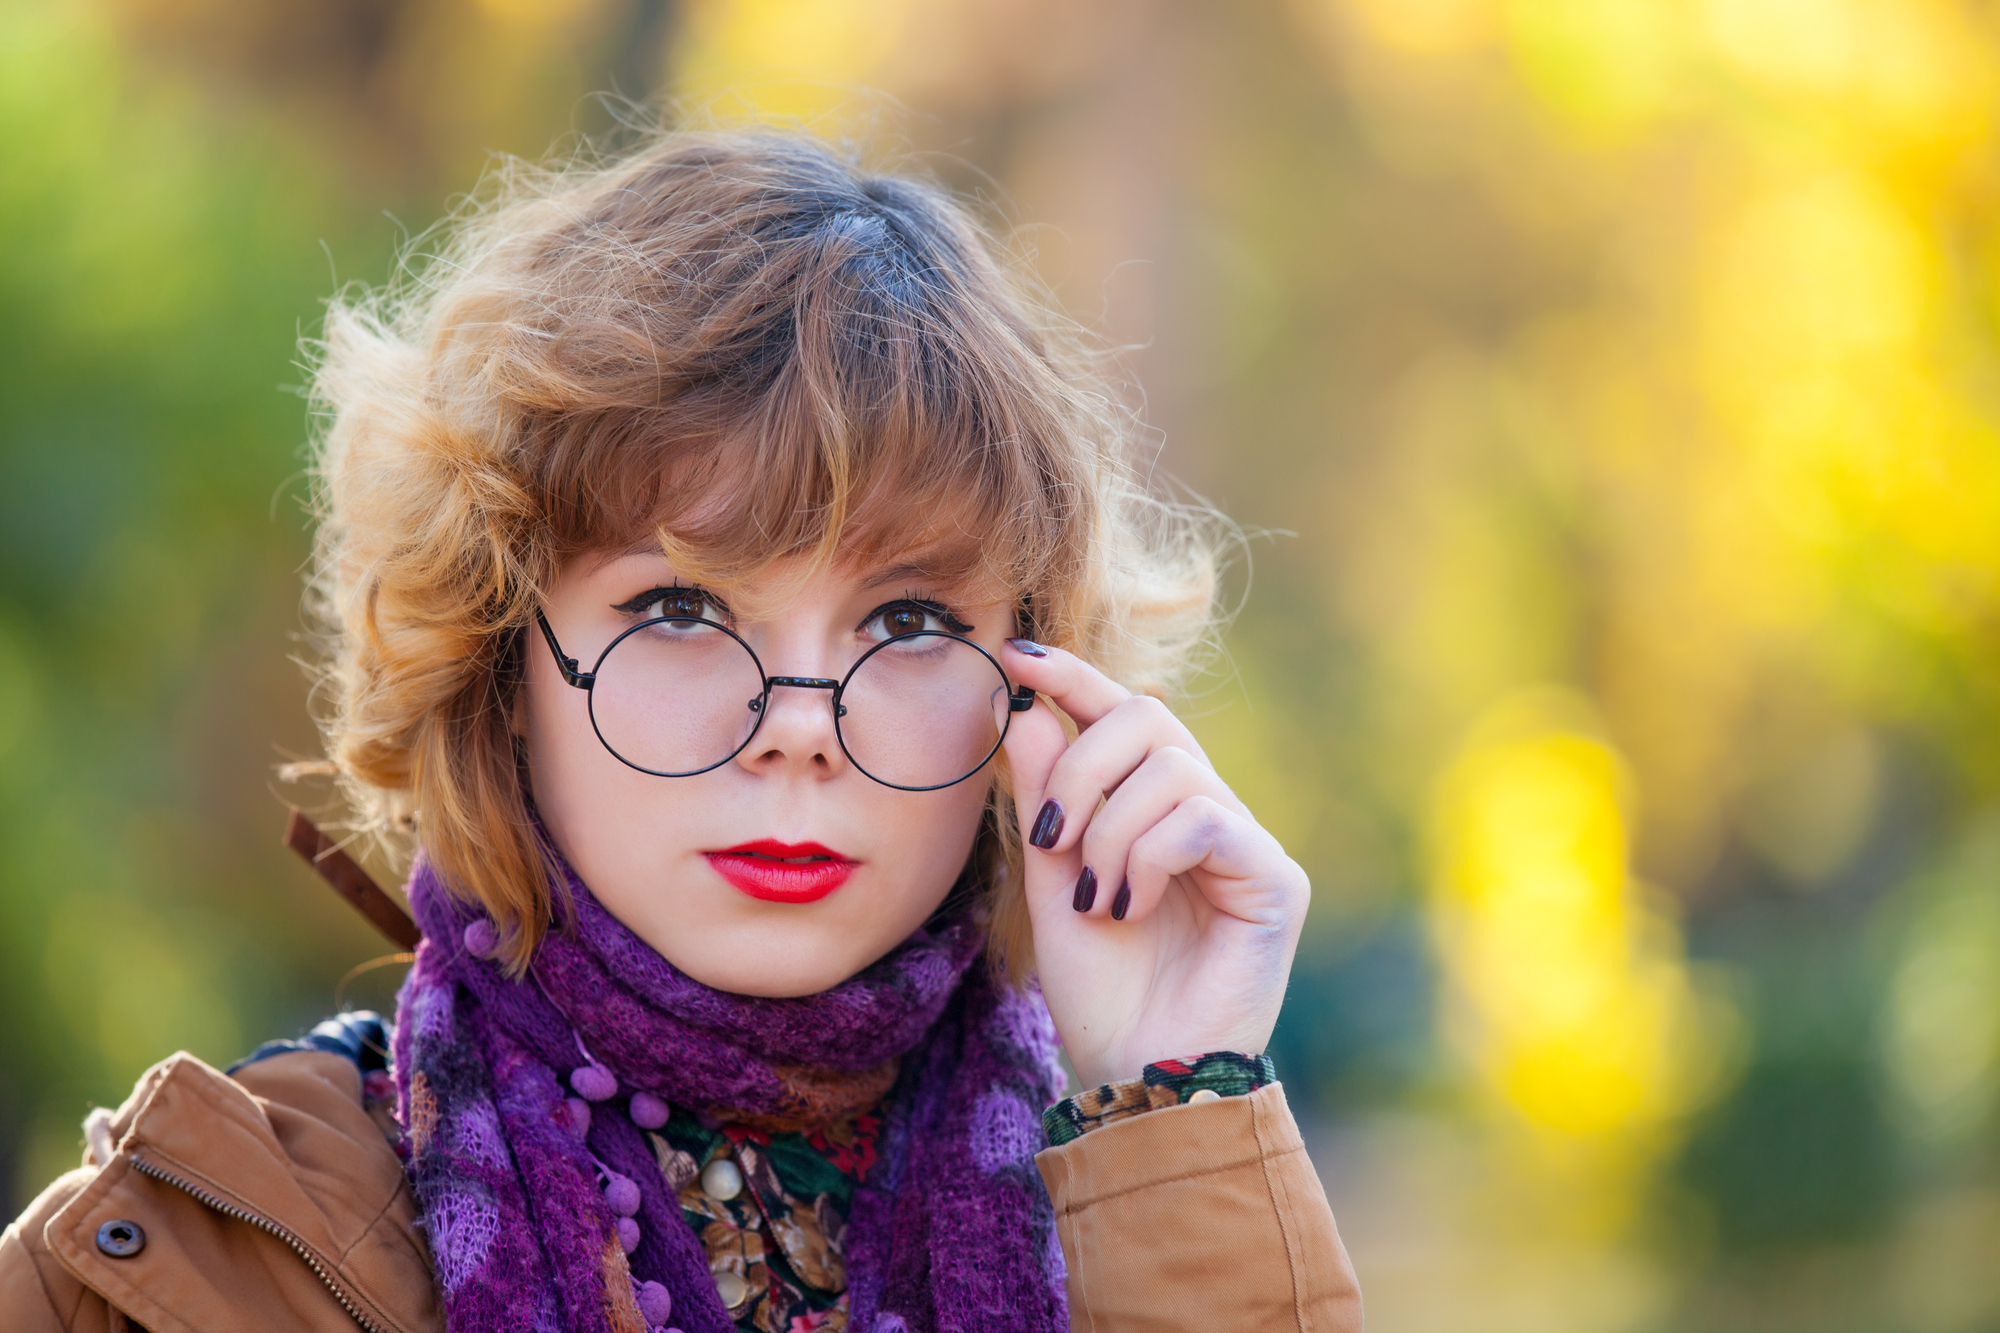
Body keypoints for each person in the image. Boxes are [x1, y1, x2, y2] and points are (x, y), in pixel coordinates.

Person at [0, 128, 1362, 1333]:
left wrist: (1176, 1100)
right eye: (680, 606)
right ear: (500, 660)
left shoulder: (1137, 1191)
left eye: (903, 624)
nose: (797, 737)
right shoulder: (184, 1265)